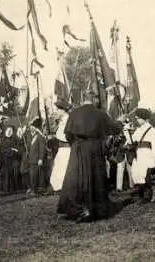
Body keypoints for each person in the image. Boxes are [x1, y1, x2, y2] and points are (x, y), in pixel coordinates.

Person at [57, 91, 124, 222]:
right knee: (96, 178)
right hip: (94, 148)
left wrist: (75, 145)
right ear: (94, 100)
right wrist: (120, 122)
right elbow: (114, 128)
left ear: (83, 99)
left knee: (74, 179)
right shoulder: (99, 113)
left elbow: (67, 134)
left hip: (77, 148)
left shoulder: (74, 113)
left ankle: (75, 208)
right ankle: (95, 209)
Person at [130, 108, 155, 203]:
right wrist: (127, 132)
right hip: (139, 153)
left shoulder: (151, 130)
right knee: (138, 175)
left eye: (138, 118)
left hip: (147, 154)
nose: (137, 120)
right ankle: (141, 196)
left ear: (144, 118)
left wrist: (154, 156)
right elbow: (132, 140)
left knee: (146, 177)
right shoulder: (138, 130)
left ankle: (151, 192)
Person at [49, 100, 72, 192]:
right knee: (58, 167)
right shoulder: (62, 121)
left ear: (63, 110)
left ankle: (62, 187)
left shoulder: (68, 120)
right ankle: (58, 187)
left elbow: (66, 136)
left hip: (67, 148)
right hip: (61, 148)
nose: (56, 112)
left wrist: (54, 137)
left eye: (58, 109)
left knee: (64, 167)